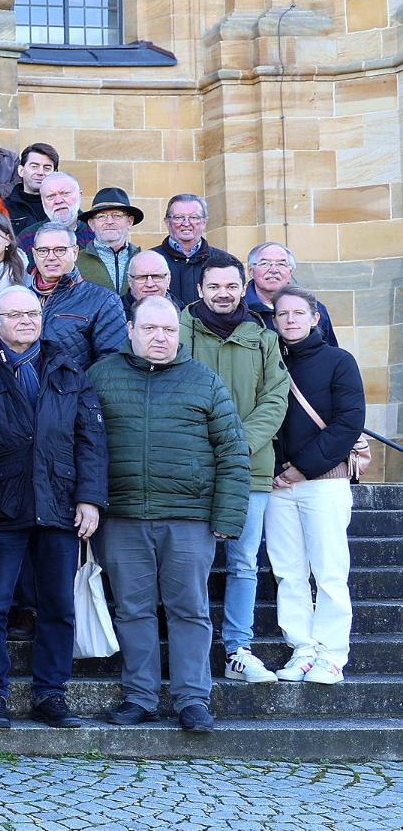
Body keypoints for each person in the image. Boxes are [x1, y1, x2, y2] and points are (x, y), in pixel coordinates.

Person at [89, 297, 250, 733]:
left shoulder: (204, 381)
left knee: (190, 611)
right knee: (132, 610)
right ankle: (139, 696)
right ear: (130, 330)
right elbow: (81, 444)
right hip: (121, 517)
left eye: (169, 330)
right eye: (150, 329)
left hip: (189, 518)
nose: (160, 337)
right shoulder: (101, 376)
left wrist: (228, 518)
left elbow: (234, 452)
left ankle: (192, 699)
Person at [0, 288, 104, 729]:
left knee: (59, 604)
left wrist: (91, 498)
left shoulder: (67, 367)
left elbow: (91, 439)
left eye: (33, 313)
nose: (26, 320)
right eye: (15, 314)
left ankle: (51, 694)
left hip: (59, 503)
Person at [181, 261, 291, 683]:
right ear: (200, 287)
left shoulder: (263, 338)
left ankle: (237, 649)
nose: (223, 293)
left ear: (243, 287)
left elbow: (275, 398)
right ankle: (191, 648)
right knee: (192, 562)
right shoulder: (181, 330)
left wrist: (239, 443)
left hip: (250, 468)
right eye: (215, 285)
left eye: (231, 285)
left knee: (245, 561)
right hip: (193, 466)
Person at [270, 286, 362, 685]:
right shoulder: (270, 360)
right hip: (277, 486)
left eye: (297, 313)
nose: (290, 320)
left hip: (323, 482)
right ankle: (302, 649)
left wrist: (302, 468)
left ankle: (331, 654)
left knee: (328, 571)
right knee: (288, 572)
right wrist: (277, 470)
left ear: (314, 318)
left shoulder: (339, 361)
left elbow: (348, 423)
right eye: (282, 314)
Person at [30, 221, 128, 367]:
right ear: (34, 254)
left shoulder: (104, 301)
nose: (50, 257)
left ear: (75, 252)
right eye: (43, 250)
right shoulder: (20, 298)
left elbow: (111, 363)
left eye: (60, 250)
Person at [245, 242, 338, 344]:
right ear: (250, 271)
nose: (274, 270)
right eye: (264, 263)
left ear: (290, 272)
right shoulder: (240, 309)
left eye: (281, 264)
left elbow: (329, 353)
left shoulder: (314, 308)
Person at [156, 194, 238, 307]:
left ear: (204, 222)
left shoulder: (226, 261)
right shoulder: (150, 260)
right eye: (178, 217)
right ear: (167, 222)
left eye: (194, 217)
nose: (186, 223)